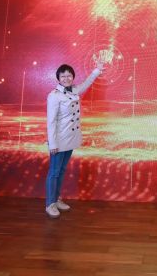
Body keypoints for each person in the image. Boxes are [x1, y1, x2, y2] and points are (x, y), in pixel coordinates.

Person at [45, 61, 104, 218]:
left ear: (72, 77)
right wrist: (53, 143)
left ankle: (57, 199)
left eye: (69, 75)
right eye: (63, 76)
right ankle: (50, 204)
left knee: (62, 170)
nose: (66, 78)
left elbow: (86, 83)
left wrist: (97, 70)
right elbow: (51, 122)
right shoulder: (54, 96)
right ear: (58, 78)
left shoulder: (74, 90)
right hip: (59, 140)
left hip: (70, 138)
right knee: (54, 172)